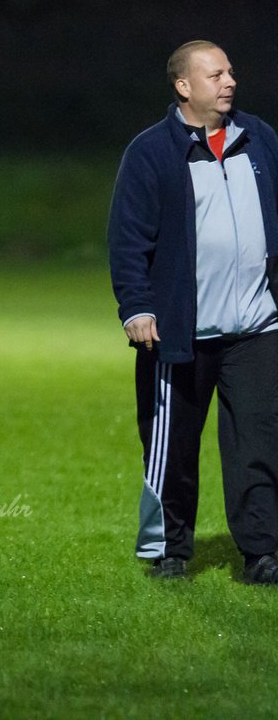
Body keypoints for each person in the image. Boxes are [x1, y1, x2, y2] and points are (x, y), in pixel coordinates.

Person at [108, 40, 278, 584]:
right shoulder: (151, 151)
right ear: (184, 87)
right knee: (172, 447)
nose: (229, 81)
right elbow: (128, 238)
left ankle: (262, 554)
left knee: (259, 446)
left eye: (230, 71)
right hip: (179, 331)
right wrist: (136, 306)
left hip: (258, 328)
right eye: (215, 74)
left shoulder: (260, 140)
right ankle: (170, 551)